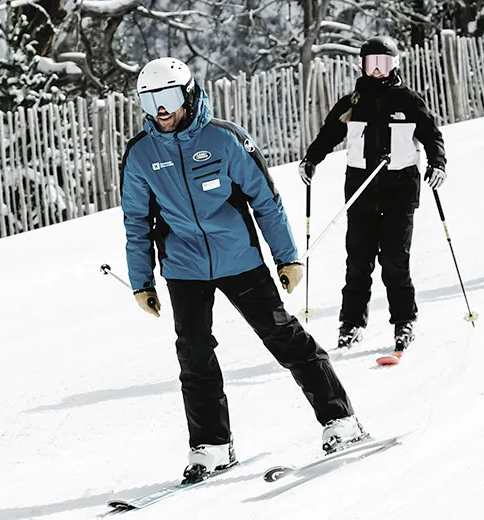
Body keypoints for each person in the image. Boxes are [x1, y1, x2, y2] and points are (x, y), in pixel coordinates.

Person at [121, 57, 365, 483]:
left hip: (241, 260)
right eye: (150, 98)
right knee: (194, 354)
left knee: (283, 337)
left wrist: (286, 257)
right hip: (184, 267)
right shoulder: (141, 154)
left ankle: (341, 419)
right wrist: (141, 281)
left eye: (169, 96)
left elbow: (265, 200)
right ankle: (212, 445)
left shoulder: (225, 140)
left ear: (189, 94)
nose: (160, 108)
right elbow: (136, 222)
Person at [298, 36, 447, 355]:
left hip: (400, 193)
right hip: (361, 194)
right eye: (372, 64)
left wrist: (438, 163)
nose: (378, 71)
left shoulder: (408, 100)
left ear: (394, 65)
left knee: (395, 262)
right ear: (363, 66)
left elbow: (432, 134)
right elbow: (328, 135)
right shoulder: (353, 103)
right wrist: (311, 159)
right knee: (358, 263)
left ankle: (404, 321)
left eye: (385, 64)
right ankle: (351, 324)